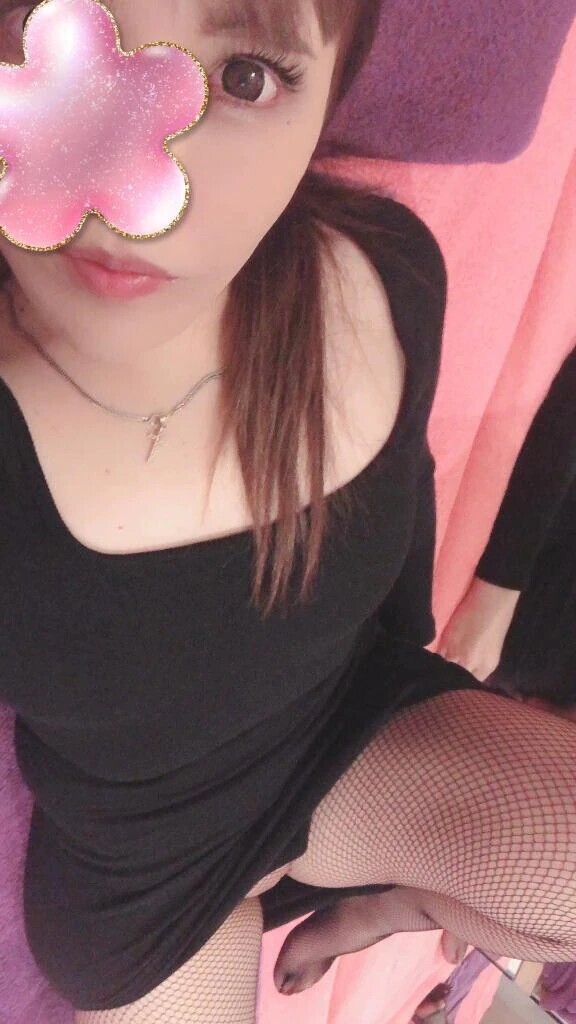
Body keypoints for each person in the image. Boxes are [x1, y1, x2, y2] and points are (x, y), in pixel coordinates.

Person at [0, 3, 575, 1023]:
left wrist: (431, 782)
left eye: (246, 78)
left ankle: (387, 899)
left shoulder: (378, 275)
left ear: (332, 98)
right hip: (151, 888)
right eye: (47, 40)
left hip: (350, 755)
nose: (146, 190)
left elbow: (404, 523)